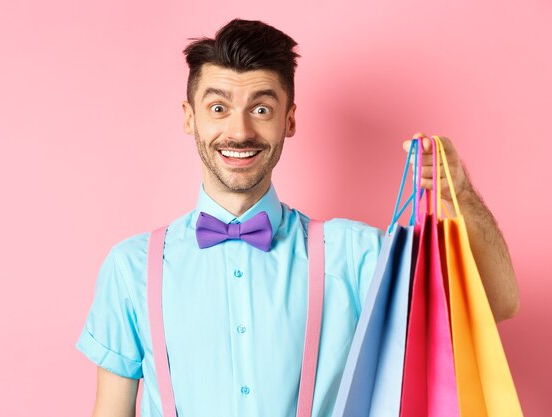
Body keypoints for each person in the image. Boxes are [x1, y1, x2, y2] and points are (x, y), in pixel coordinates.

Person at [76, 18, 519, 417]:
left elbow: (498, 303)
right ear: (190, 119)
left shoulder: (353, 254)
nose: (240, 131)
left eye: (261, 108)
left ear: (289, 120)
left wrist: (458, 193)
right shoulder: (131, 267)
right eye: (218, 108)